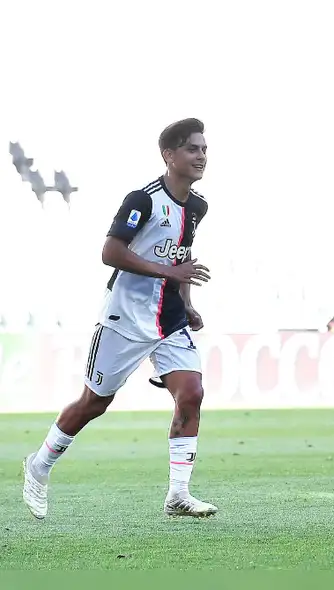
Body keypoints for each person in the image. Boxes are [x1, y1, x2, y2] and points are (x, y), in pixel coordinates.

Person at [22, 118, 216, 519]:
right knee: (94, 403)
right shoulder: (142, 200)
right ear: (169, 155)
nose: (201, 156)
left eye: (204, 149)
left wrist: (188, 301)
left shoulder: (197, 206)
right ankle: (39, 465)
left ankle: (178, 494)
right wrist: (170, 274)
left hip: (169, 318)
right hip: (123, 316)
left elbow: (179, 258)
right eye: (192, 149)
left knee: (192, 392)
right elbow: (111, 252)